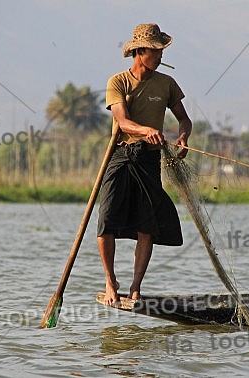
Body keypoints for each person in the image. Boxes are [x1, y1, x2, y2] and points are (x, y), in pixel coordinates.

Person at [97, 23, 192, 305]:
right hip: (121, 154)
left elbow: (184, 119)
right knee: (106, 221)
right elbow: (123, 122)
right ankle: (111, 281)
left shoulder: (167, 84)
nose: (160, 56)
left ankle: (135, 287)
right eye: (155, 51)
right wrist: (144, 130)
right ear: (139, 52)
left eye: (161, 51)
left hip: (149, 158)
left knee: (146, 225)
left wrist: (183, 137)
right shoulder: (118, 82)